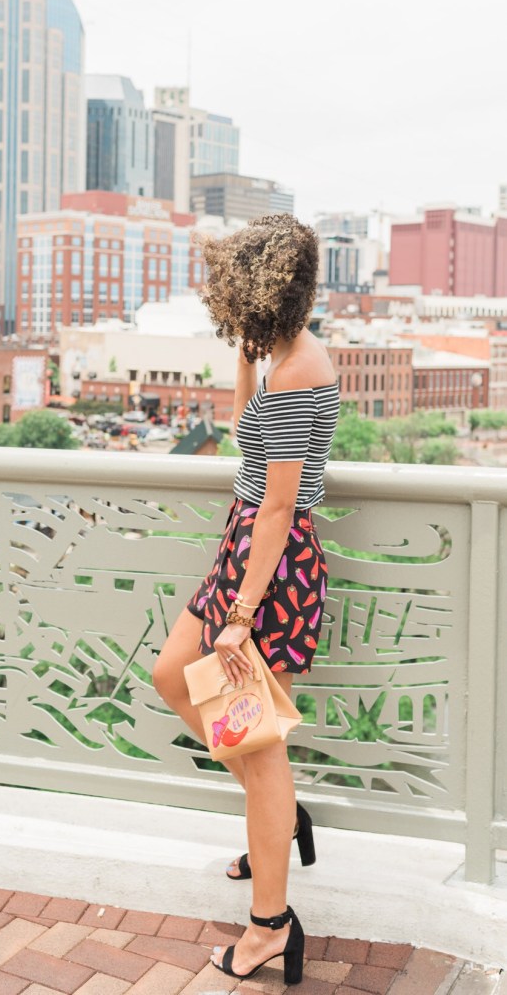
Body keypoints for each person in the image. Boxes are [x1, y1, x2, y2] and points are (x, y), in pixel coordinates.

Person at [152, 213, 340, 983]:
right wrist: (245, 353)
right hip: (245, 550)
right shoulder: (284, 355)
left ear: (258, 288)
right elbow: (244, 436)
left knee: (259, 752)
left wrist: (237, 617)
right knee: (172, 675)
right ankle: (279, 819)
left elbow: (281, 505)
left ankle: (270, 927)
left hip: (270, 569)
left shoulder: (301, 370)